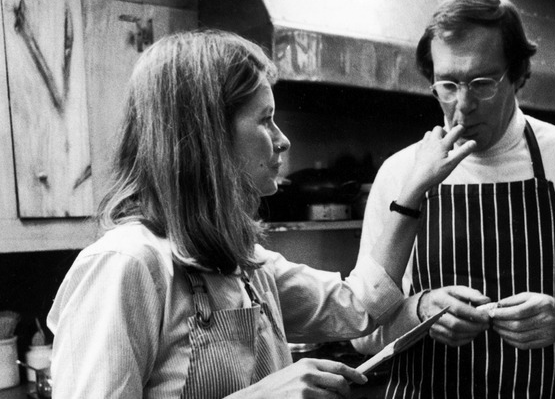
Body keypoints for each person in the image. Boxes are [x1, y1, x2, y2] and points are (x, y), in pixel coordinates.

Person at [46, 30, 475, 399]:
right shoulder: (126, 265)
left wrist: (414, 192)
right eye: (266, 120)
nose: (283, 141)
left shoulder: (243, 264)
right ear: (207, 136)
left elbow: (357, 306)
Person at [351, 0, 555, 398]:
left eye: (482, 83)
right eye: (447, 85)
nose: (463, 105)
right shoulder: (401, 173)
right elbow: (360, 331)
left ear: (518, 75)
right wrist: (418, 312)